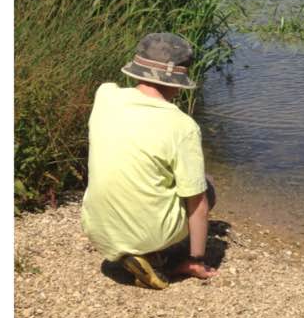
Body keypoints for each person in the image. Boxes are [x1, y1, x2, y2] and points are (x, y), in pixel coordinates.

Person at [81, 32, 218, 289]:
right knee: (206, 188)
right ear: (177, 80)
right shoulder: (182, 125)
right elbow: (197, 202)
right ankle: (167, 257)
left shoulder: (105, 96)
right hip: (148, 232)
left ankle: (136, 251)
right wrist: (197, 260)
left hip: (98, 228)